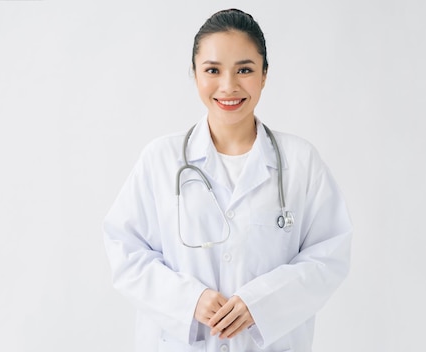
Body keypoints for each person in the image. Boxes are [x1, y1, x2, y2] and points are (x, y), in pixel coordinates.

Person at [103, 8, 352, 352]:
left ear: (264, 75)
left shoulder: (300, 162)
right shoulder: (160, 160)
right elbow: (125, 252)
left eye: (245, 70)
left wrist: (261, 303)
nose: (228, 86)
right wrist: (189, 301)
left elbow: (328, 257)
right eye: (212, 70)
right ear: (194, 74)